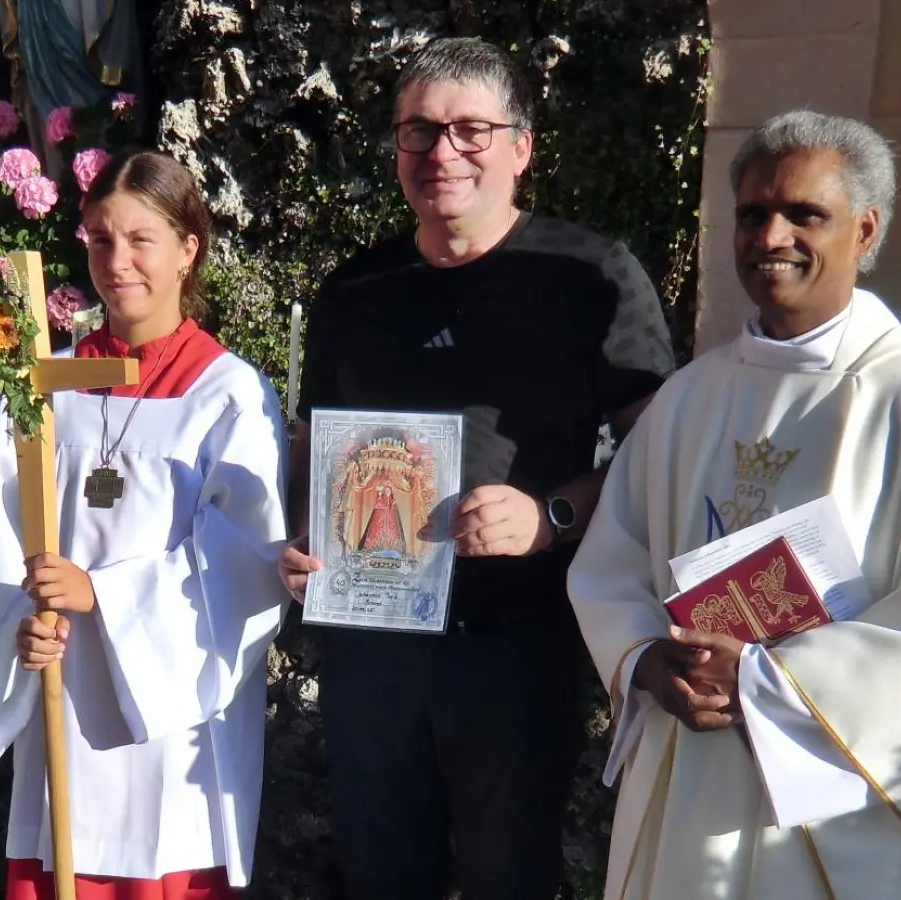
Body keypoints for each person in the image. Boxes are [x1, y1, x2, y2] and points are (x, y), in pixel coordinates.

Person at [566, 110, 901, 899]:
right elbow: (611, 562)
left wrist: (764, 679)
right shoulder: (687, 397)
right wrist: (645, 658)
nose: (771, 237)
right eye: (752, 214)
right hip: (692, 777)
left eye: (805, 215)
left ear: (864, 231)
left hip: (835, 802)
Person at [278, 37, 676, 900]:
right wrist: (303, 541)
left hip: (516, 647)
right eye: (418, 131)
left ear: (520, 147)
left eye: (470, 130)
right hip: (372, 654)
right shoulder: (355, 290)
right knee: (380, 879)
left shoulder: (589, 276)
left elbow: (661, 462)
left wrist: (552, 517)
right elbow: (315, 446)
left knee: (509, 879)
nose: (441, 152)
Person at [0, 149, 291, 900]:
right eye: (100, 239)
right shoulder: (46, 383)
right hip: (61, 688)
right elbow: (7, 534)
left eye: (141, 239)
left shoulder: (228, 395)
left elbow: (246, 562)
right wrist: (26, 623)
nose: (117, 262)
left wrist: (102, 595)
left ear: (188, 249)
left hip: (167, 714)